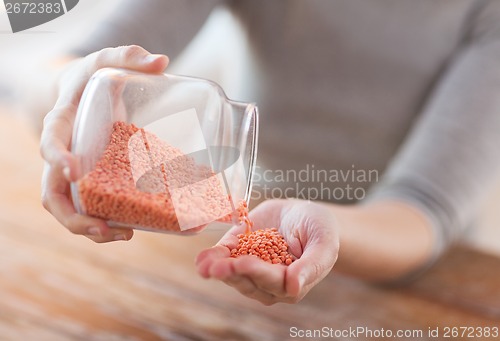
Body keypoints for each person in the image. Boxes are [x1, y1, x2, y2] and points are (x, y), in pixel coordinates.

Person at [38, 0, 500, 305]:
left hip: (394, 265)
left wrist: (328, 225)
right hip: (234, 232)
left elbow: (424, 205)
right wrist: (70, 92)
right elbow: (63, 70)